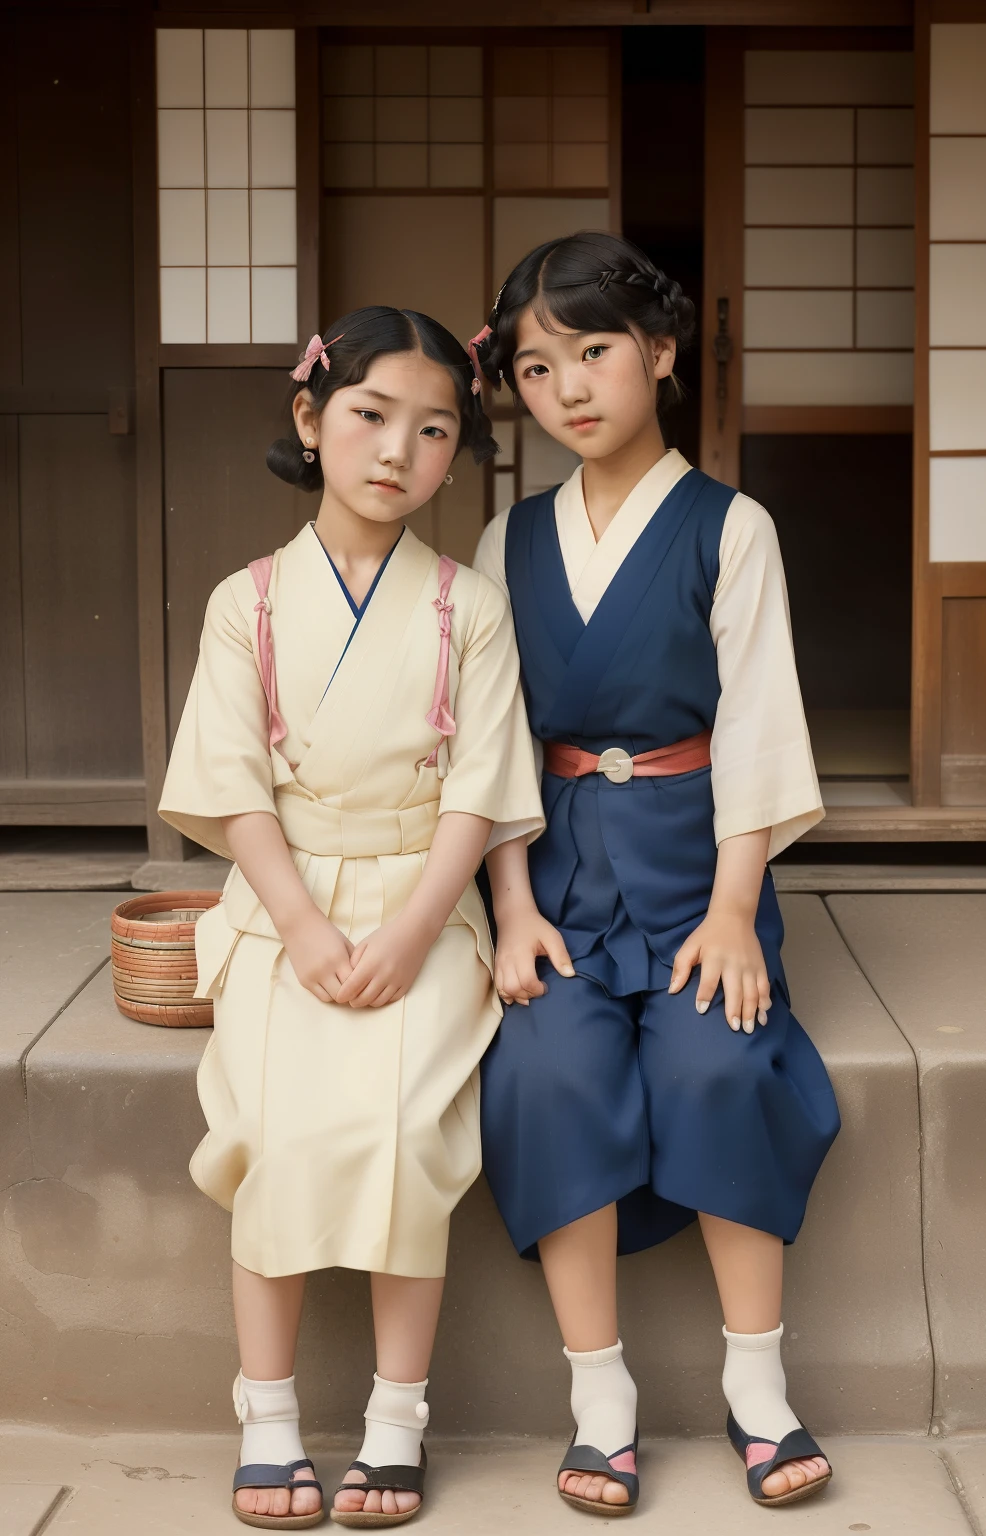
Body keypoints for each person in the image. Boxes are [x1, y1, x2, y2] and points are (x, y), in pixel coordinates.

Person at [471, 231, 841, 1515]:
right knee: (545, 1066)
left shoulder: (731, 528)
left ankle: (756, 1383)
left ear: (660, 355)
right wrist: (510, 910)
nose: (567, 385)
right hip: (554, 874)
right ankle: (600, 1393)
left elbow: (758, 722)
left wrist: (737, 910)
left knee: (720, 1056)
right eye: (534, 366)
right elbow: (488, 740)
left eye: (593, 349)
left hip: (698, 868)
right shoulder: (501, 542)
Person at [159, 306, 543, 1529]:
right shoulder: (250, 603)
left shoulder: (466, 610)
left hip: (425, 905)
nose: (398, 452)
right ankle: (265, 1419)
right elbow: (233, 786)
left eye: (435, 430)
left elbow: (479, 791)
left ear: (455, 454)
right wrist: (310, 930)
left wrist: (420, 926)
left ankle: (394, 1422)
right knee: (269, 1133)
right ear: (310, 416)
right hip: (286, 909)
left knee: (400, 1137)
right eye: (372, 416)